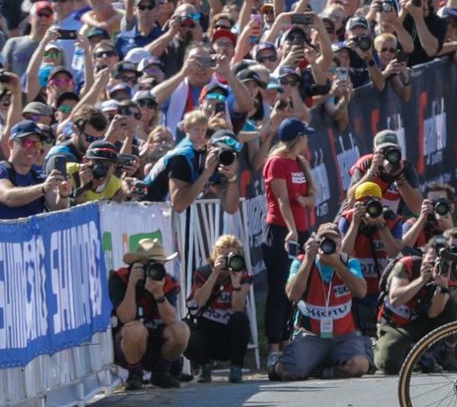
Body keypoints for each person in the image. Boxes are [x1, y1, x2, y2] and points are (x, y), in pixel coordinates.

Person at [272, 222, 371, 381]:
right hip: (312, 335)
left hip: (344, 336)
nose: (328, 246)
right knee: (286, 372)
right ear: (316, 243)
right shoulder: (302, 261)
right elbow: (292, 295)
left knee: (360, 365)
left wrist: (337, 264)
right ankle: (284, 363)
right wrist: (309, 260)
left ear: (340, 244)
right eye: (324, 241)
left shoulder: (349, 263)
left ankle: (320, 371)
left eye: (333, 242)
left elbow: (361, 291)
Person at [261, 117, 319, 369]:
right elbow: (282, 201)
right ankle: (274, 347)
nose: (307, 140)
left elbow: (310, 196)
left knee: (297, 290)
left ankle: (288, 342)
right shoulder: (276, 163)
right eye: (305, 136)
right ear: (298, 138)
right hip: (280, 231)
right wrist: (292, 232)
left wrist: (305, 203)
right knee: (279, 290)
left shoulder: (300, 162)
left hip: (302, 231)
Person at [372, 228, 457, 374]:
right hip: (396, 324)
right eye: (432, 257)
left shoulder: (444, 271)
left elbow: (434, 313)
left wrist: (442, 286)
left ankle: (434, 352)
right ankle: (384, 347)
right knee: (389, 364)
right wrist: (422, 279)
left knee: (453, 309)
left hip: (420, 322)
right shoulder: (407, 265)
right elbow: (395, 300)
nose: (435, 262)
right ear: (424, 254)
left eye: (439, 259)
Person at [108, 238, 190, 390]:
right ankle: (135, 374)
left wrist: (158, 293)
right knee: (135, 329)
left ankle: (161, 373)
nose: (156, 269)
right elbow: (126, 317)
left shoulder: (167, 282)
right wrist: (132, 285)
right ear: (138, 265)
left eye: (160, 264)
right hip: (128, 347)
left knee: (181, 330)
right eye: (152, 264)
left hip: (157, 344)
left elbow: (172, 320)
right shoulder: (121, 279)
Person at [185, 234, 252, 383]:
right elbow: (200, 301)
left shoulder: (242, 275)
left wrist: (235, 282)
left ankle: (236, 367)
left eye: (232, 256)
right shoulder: (203, 272)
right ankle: (204, 366)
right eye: (224, 256)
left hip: (229, 335)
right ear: (216, 254)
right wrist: (215, 274)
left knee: (240, 319)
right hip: (207, 330)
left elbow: (238, 308)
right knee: (184, 330)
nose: (229, 261)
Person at [0, 121, 70, 220]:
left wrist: (63, 195)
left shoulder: (38, 177)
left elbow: (57, 208)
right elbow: (8, 197)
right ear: (11, 144)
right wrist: (43, 188)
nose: (32, 149)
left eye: (37, 144)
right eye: (27, 143)